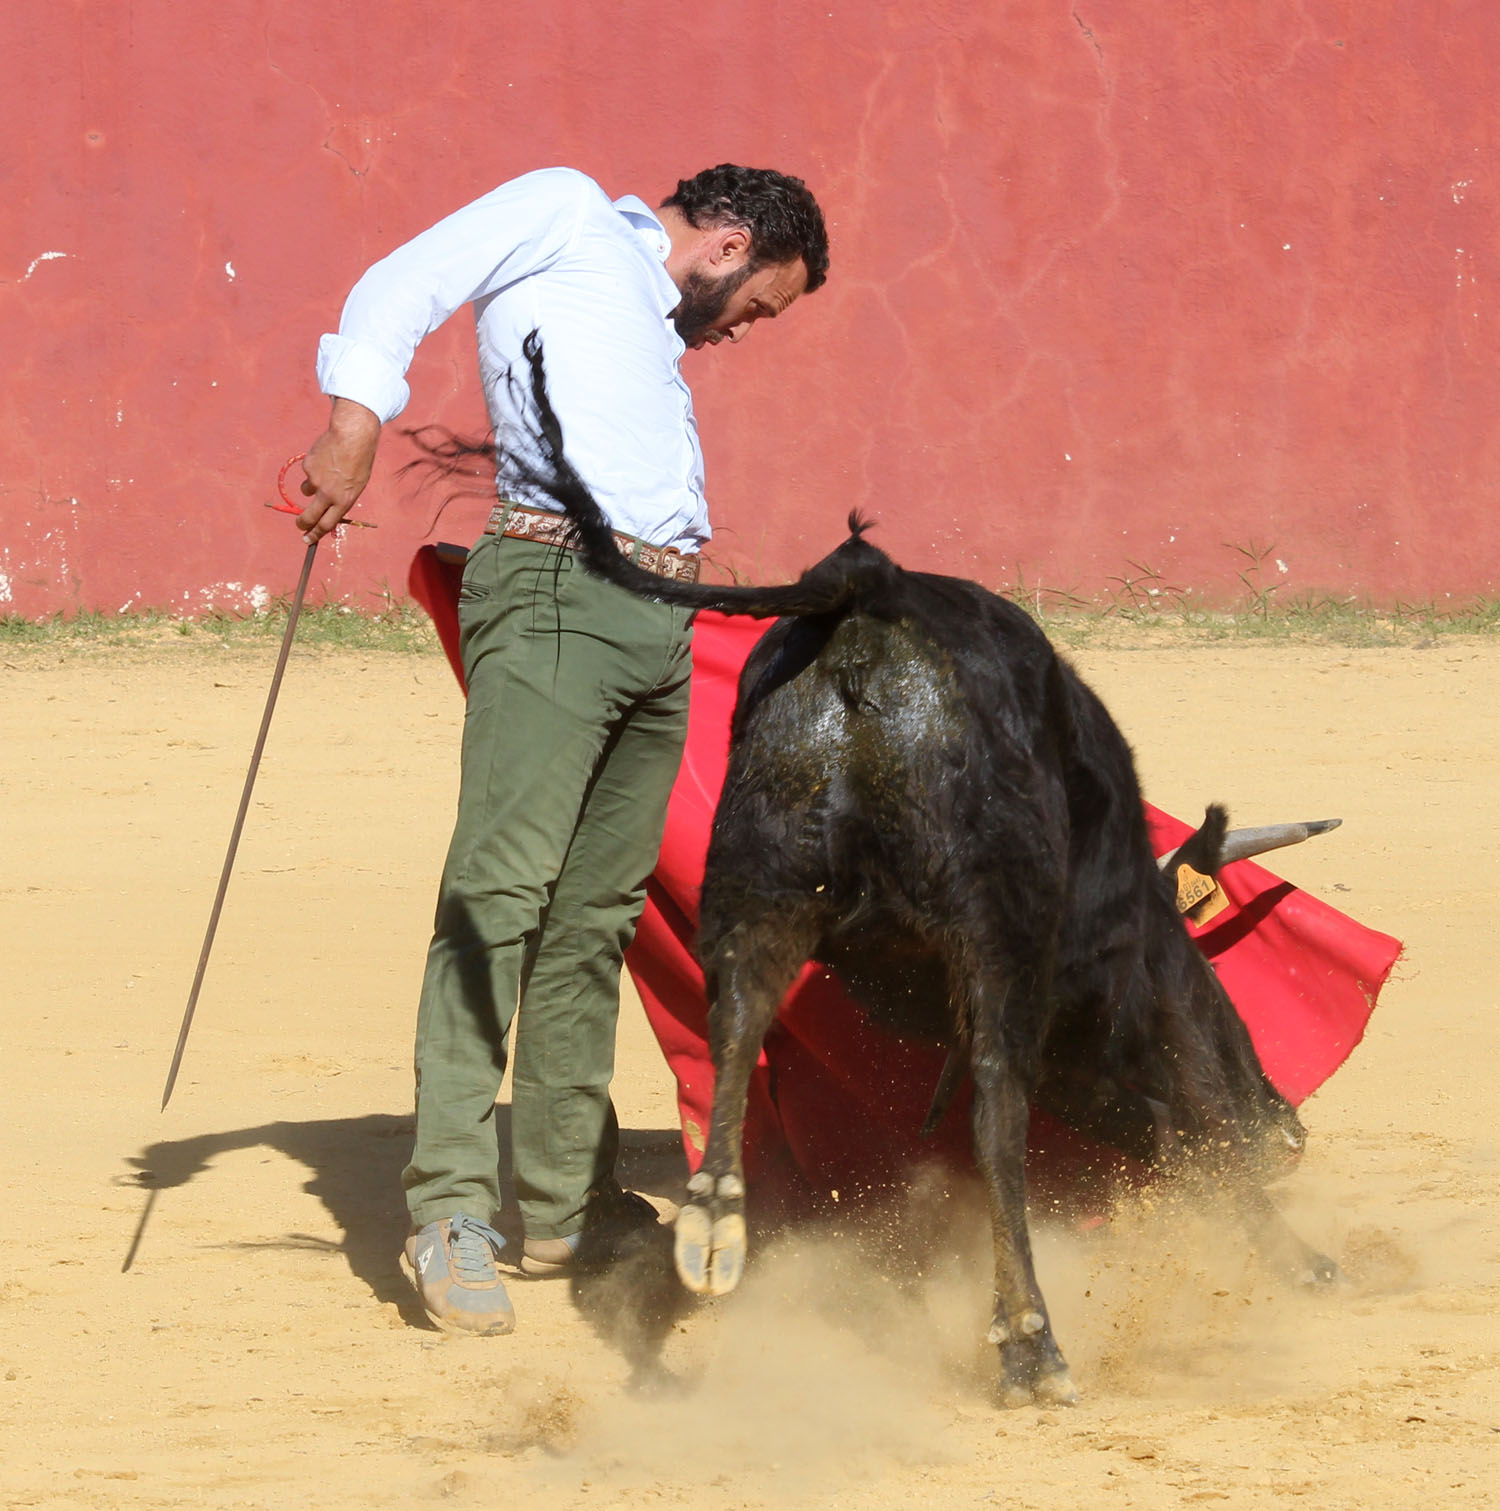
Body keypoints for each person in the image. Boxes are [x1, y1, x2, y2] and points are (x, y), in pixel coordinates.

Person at [295, 164, 830, 1335]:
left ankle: (562, 1203)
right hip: (552, 593)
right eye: (758, 306)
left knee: (594, 915)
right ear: (730, 243)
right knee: (497, 896)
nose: (742, 331)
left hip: (655, 616)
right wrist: (352, 423)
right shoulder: (567, 212)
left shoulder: (635, 319)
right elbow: (403, 281)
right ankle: (446, 1210)